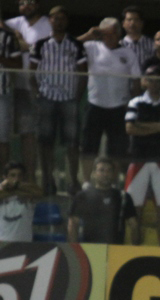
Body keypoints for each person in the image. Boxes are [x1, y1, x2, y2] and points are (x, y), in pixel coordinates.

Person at [30, 6, 86, 196]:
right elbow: (31, 71)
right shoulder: (40, 44)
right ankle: (47, 179)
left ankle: (73, 181)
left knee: (72, 142)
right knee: (45, 141)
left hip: (69, 98)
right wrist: (37, 93)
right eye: (55, 18)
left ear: (67, 21)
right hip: (46, 97)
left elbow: (83, 72)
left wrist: (77, 97)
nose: (59, 21)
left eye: (62, 18)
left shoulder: (76, 45)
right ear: (50, 21)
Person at [78, 17, 141, 187]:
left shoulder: (128, 52)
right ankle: (86, 182)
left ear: (119, 34)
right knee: (89, 146)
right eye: (104, 34)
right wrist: (89, 35)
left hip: (119, 106)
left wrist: (133, 103)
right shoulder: (91, 47)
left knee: (117, 148)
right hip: (95, 104)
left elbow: (136, 80)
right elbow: (70, 46)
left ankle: (113, 182)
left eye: (112, 34)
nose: (108, 37)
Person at [124, 65, 160, 246]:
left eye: (157, 78)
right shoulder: (135, 102)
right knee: (135, 208)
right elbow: (130, 129)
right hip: (138, 158)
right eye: (150, 78)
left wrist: (145, 125)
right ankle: (135, 248)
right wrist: (159, 127)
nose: (153, 82)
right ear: (144, 81)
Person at [4, 0, 51, 183]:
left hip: (33, 84)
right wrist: (12, 33)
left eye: (30, 2)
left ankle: (30, 180)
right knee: (3, 135)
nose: (26, 6)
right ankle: (7, 180)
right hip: (8, 84)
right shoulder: (15, 23)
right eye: (22, 3)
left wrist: (22, 43)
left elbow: (43, 49)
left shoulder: (47, 25)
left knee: (28, 133)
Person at [67, 157, 137, 244]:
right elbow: (73, 224)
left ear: (113, 174)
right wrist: (74, 249)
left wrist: (134, 248)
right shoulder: (82, 196)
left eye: (109, 171)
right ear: (94, 173)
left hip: (116, 250)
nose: (105, 174)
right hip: (89, 249)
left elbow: (134, 225)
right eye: (101, 170)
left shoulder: (123, 197)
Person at [0, 17, 21, 177]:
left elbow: (18, 64)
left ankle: (2, 178)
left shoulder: (7, 37)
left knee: (2, 139)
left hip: (2, 93)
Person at [0, 162, 41, 242]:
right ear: (5, 177)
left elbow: (39, 193)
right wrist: (5, 188)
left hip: (24, 243)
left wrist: (17, 188)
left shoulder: (28, 192)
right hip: (2, 242)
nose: (16, 179)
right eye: (12, 175)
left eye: (19, 175)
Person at [120, 5, 153, 70]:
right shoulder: (119, 45)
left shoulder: (152, 44)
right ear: (123, 24)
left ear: (142, 23)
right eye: (129, 20)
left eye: (136, 20)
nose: (132, 23)